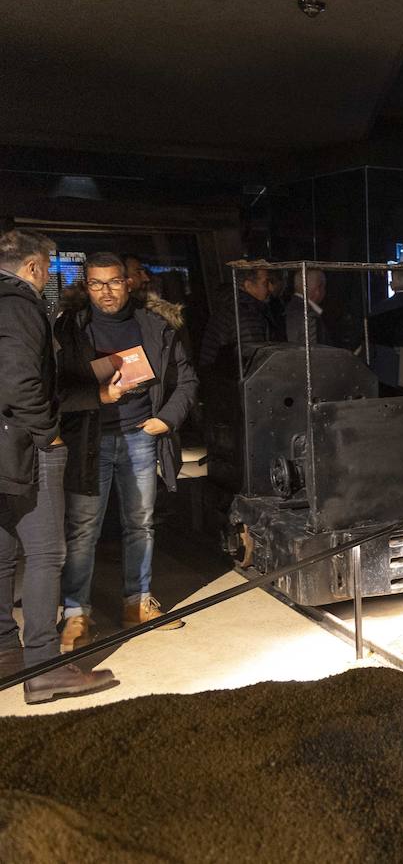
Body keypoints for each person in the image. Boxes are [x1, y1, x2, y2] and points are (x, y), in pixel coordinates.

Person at [54, 252, 198, 648]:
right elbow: (57, 389)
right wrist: (101, 394)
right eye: (97, 284)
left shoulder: (155, 325)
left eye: (114, 282)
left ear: (128, 282)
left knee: (141, 524)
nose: (106, 291)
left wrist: (166, 420)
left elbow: (186, 380)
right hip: (90, 439)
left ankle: (136, 603)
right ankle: (75, 615)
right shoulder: (71, 328)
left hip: (140, 435)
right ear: (86, 286)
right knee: (83, 529)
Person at [0, 230, 117, 703]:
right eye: (48, 269)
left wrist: (91, 391)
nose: (49, 277)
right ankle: (45, 667)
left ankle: (8, 652)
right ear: (31, 268)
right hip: (28, 449)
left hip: (6, 447)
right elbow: (20, 380)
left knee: (5, 553)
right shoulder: (19, 304)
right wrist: (48, 430)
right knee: (47, 554)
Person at [198, 266, 274, 371]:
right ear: (248, 285)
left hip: (216, 375)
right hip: (230, 380)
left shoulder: (231, 305)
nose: (271, 288)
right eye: (265, 283)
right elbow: (253, 359)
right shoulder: (246, 313)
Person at [285, 267, 332, 346]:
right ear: (318, 288)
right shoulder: (309, 315)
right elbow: (313, 353)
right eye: (324, 287)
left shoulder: (288, 307)